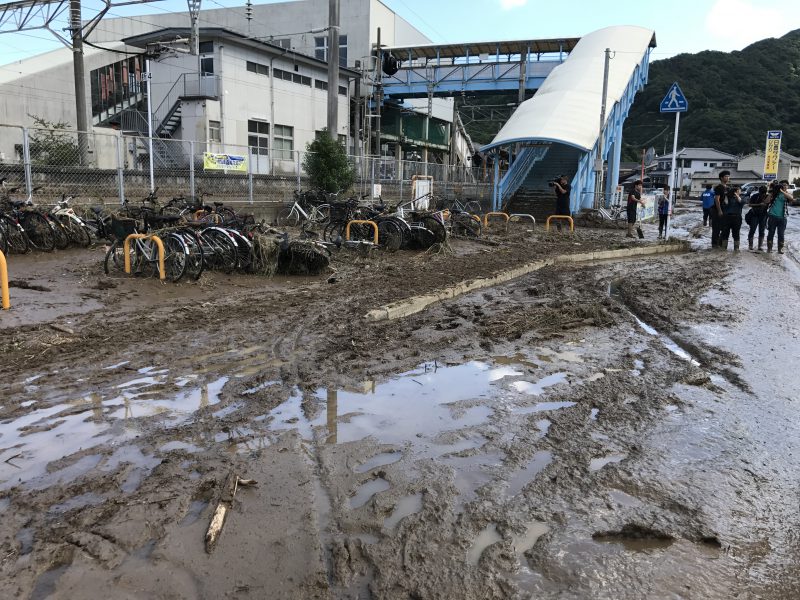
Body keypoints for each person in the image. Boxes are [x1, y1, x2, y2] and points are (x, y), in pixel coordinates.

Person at [766, 180, 791, 253]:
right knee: (771, 233)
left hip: (783, 218)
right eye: (783, 185)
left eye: (786, 185)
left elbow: (791, 198)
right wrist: (771, 193)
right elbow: (766, 202)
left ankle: (780, 249)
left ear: (788, 186)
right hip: (772, 216)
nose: (784, 186)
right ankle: (769, 248)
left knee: (781, 234)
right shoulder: (775, 194)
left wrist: (783, 192)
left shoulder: (787, 194)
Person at [720, 185, 745, 251]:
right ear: (736, 191)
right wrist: (727, 195)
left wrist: (737, 196)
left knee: (736, 233)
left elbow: (742, 202)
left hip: (737, 218)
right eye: (739, 190)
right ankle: (723, 248)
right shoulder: (727, 197)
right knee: (725, 233)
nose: (740, 191)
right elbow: (725, 204)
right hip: (727, 218)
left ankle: (736, 249)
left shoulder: (741, 197)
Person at [746, 185, 769, 251]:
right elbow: (749, 204)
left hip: (763, 216)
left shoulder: (768, 196)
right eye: (762, 193)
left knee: (762, 231)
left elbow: (769, 203)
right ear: (759, 191)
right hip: (754, 215)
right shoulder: (755, 196)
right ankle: (750, 245)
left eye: (764, 193)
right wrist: (759, 204)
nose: (763, 194)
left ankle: (760, 246)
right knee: (752, 230)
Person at [712, 170, 730, 248]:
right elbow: (717, 199)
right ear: (721, 178)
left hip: (726, 210)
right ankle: (714, 244)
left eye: (728, 176)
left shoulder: (728, 188)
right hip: (718, 210)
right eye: (726, 176)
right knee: (716, 228)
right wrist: (719, 210)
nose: (728, 178)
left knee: (725, 228)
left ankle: (721, 243)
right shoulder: (718, 188)